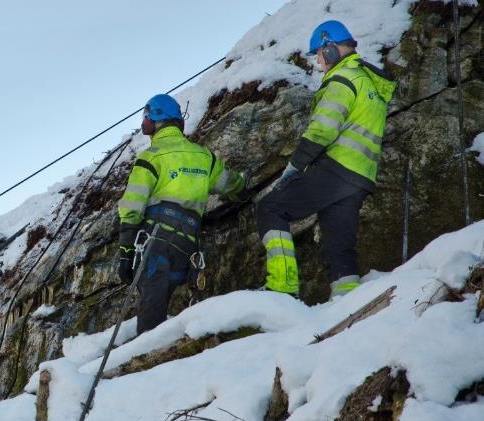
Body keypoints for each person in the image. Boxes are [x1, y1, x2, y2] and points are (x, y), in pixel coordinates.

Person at [256, 20, 396, 298]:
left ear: (330, 49)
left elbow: (322, 130)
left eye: (319, 54)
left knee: (271, 207)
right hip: (360, 176)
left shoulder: (342, 80)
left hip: (337, 168)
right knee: (337, 243)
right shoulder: (367, 81)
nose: (318, 62)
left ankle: (282, 288)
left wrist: (294, 168)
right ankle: (347, 299)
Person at [118, 94, 246, 333]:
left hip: (155, 242)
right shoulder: (203, 156)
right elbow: (233, 185)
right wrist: (243, 189)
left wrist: (126, 251)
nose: (143, 123)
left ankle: (147, 362)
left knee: (151, 314)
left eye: (145, 118)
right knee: (186, 310)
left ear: (154, 120)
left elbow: (132, 205)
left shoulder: (150, 156)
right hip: (188, 246)